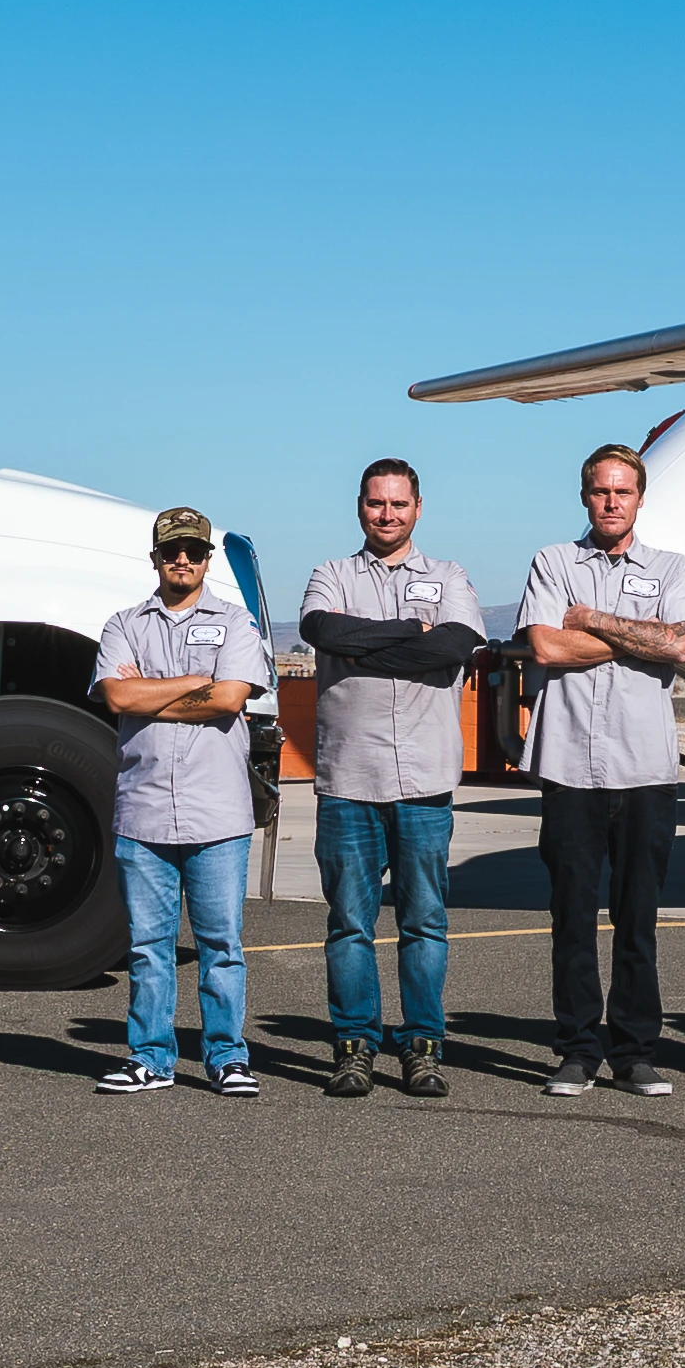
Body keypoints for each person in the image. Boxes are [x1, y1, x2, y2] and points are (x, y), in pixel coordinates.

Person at [285, 459, 485, 1098]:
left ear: (418, 508)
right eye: (376, 504)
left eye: (399, 504)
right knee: (349, 921)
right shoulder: (331, 575)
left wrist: (365, 645)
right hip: (348, 776)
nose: (387, 514)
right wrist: (407, 633)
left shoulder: (449, 576)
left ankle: (422, 1046)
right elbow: (323, 629)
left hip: (424, 779)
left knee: (425, 920)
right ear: (360, 507)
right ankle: (354, 1047)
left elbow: (453, 647)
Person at [507, 446, 685, 1095]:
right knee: (571, 917)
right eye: (599, 491)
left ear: (640, 499)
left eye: (622, 492)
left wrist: (589, 618)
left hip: (644, 768)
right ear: (584, 497)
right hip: (569, 765)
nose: (611, 501)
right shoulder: (553, 561)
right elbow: (544, 645)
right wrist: (634, 636)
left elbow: (676, 645)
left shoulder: (671, 568)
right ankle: (576, 1049)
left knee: (637, 918)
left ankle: (635, 1050)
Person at [89, 506, 277, 1095]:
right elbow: (118, 696)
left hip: (216, 810)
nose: (183, 560)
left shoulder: (236, 624)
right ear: (155, 557)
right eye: (173, 550)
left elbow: (228, 699)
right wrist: (192, 683)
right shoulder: (123, 623)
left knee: (222, 943)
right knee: (148, 945)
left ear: (207, 559)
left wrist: (155, 692)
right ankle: (151, 1057)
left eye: (194, 551)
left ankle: (228, 1057)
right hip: (143, 809)